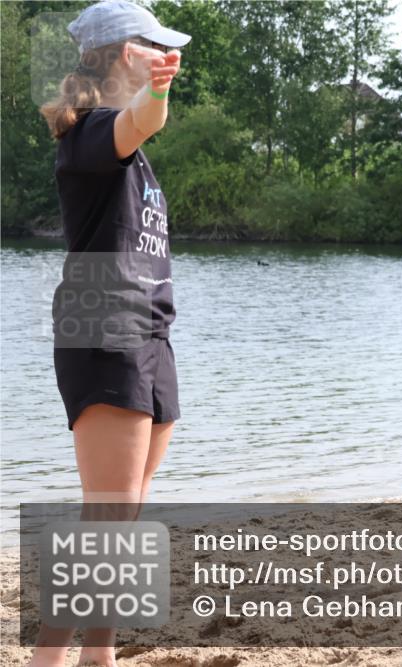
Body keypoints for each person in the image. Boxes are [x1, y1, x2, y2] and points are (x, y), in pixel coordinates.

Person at [32, 2, 189, 665]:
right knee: (109, 516)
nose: (167, 55)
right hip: (103, 323)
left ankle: (99, 657)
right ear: (129, 52)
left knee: (124, 516)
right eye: (155, 46)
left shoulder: (126, 147)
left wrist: (154, 92)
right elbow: (147, 117)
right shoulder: (93, 134)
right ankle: (47, 659)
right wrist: (159, 89)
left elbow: (148, 122)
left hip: (151, 330)